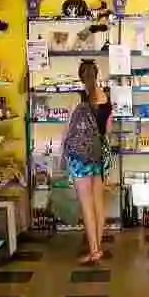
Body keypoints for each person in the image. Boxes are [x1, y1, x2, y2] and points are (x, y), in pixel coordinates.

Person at [61, 60, 112, 264]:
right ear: (97, 75)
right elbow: (108, 131)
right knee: (98, 203)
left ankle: (93, 251)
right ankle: (97, 247)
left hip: (80, 158)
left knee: (86, 204)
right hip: (99, 156)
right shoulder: (106, 98)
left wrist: (61, 152)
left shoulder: (77, 98)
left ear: (81, 77)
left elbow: (67, 129)